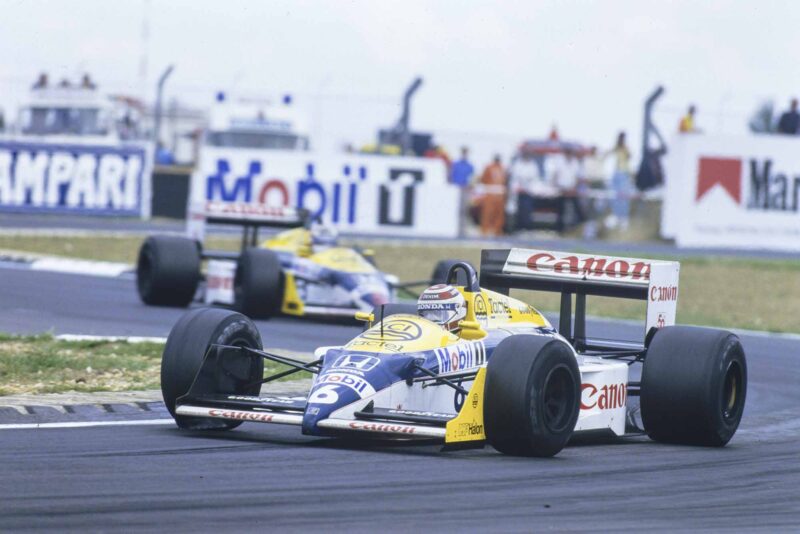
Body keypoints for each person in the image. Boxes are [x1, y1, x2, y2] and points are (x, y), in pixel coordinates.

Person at [606, 132, 632, 230]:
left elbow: (629, 156)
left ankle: (623, 218)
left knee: (623, 197)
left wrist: (623, 147)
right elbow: (608, 153)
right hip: (616, 173)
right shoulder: (616, 147)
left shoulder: (626, 148)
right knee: (615, 196)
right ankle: (616, 216)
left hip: (624, 173)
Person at [478, 155, 507, 236]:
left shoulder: (503, 168)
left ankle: (497, 230)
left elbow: (505, 180)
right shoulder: (489, 168)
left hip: (500, 193)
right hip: (491, 193)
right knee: (488, 213)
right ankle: (484, 230)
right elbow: (483, 179)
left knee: (499, 214)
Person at [451, 147, 475, 237]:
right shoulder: (456, 164)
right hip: (456, 189)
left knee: (464, 210)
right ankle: (454, 228)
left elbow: (473, 179)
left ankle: (463, 230)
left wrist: (470, 187)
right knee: (456, 209)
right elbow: (451, 176)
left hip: (465, 189)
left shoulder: (470, 166)